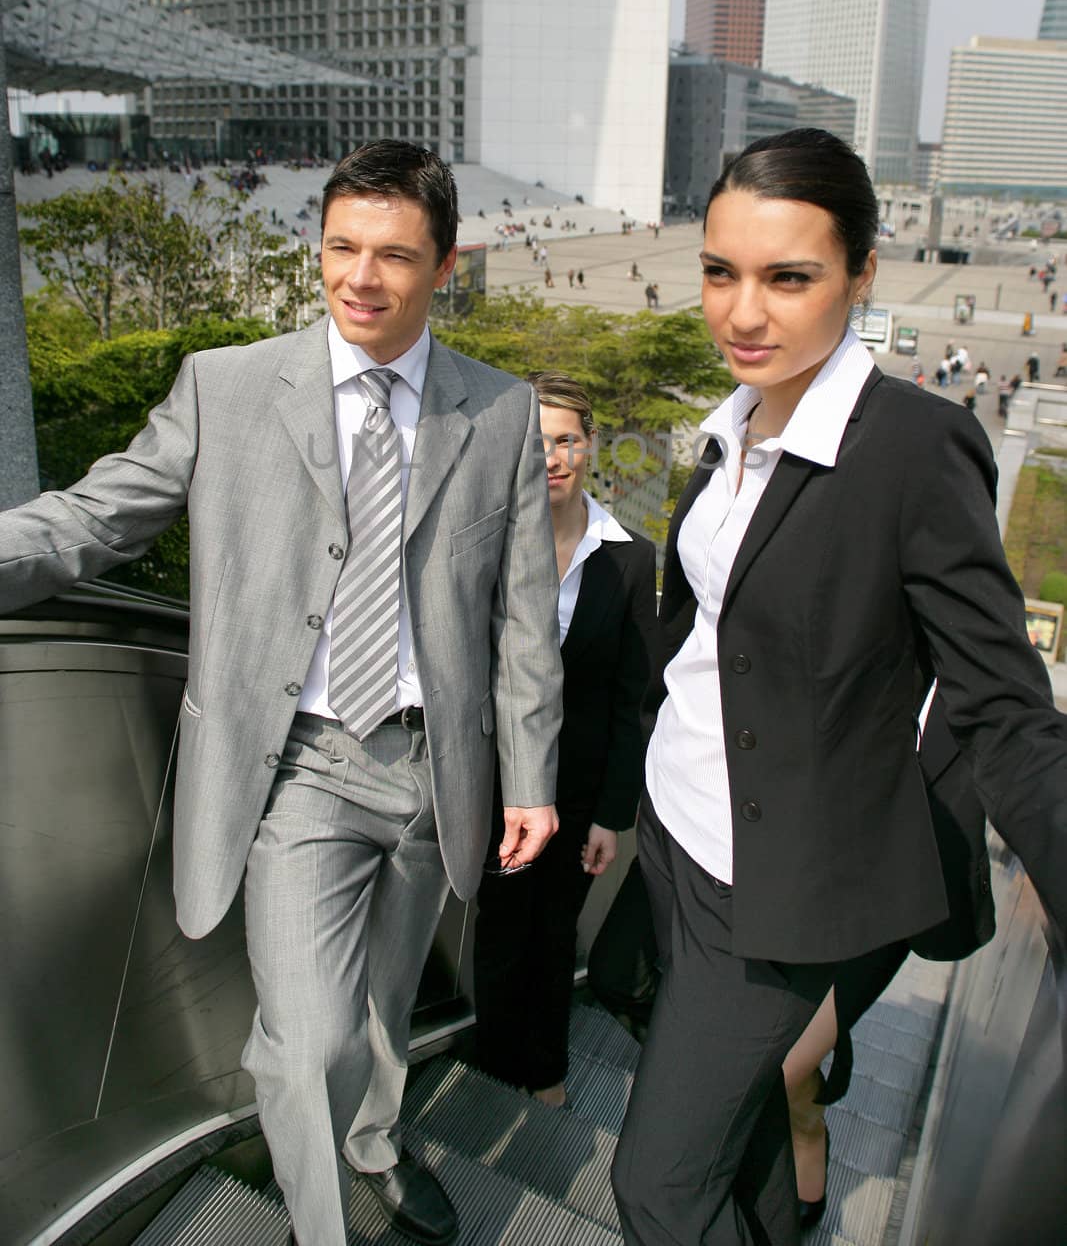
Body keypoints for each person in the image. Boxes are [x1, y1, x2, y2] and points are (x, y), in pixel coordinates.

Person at [0, 140, 564, 1246]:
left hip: (432, 767)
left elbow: (521, 614)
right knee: (305, 1042)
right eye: (342, 247)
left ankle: (376, 1142)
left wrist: (530, 774)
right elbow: (91, 516)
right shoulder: (228, 385)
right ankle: (324, 1228)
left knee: (383, 1011)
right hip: (297, 765)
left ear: (445, 265)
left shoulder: (497, 414)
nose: (360, 275)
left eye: (394, 255)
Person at [609, 128, 1067, 1246]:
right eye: (719, 271)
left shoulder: (913, 449)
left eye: (787, 277)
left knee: (654, 1190)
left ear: (861, 273)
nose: (740, 313)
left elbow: (1002, 700)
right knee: (749, 1120)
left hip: (771, 890)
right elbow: (701, 633)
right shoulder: (729, 425)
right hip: (674, 831)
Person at [473, 373, 657, 1107]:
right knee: (498, 925)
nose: (551, 457)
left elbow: (632, 698)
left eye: (566, 440)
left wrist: (614, 813)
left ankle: (544, 1067)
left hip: (576, 789)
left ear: (589, 447)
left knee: (554, 932)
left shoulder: (627, 556)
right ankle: (491, 1060)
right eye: (535, 441)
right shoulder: (480, 538)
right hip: (488, 778)